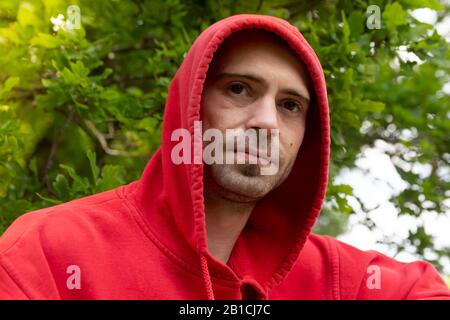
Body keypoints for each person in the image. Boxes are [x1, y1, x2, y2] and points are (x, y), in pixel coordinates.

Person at [0, 14, 449, 300]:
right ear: (190, 105)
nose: (266, 123)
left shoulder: (339, 281)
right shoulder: (48, 252)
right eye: (239, 89)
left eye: (291, 105)